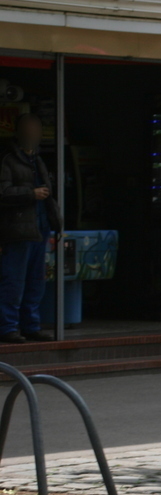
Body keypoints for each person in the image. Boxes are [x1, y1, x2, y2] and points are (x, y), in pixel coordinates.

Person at [0, 113, 59, 344]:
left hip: (39, 227)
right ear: (18, 132)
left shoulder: (38, 159)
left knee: (36, 280)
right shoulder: (8, 159)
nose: (32, 134)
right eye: (28, 129)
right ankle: (8, 327)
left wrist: (55, 219)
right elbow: (2, 192)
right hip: (17, 229)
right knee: (13, 280)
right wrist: (29, 194)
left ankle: (31, 325)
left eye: (36, 129)